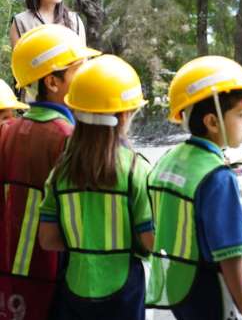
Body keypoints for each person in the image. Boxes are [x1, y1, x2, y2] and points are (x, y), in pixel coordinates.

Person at [146, 56, 242, 320]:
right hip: (216, 297)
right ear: (212, 122)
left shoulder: (168, 161)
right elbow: (231, 256)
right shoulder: (216, 177)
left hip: (183, 291)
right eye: (241, 114)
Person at [38, 54, 153, 320]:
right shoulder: (135, 169)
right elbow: (149, 241)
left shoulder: (60, 173)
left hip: (75, 287)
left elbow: (48, 240)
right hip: (124, 291)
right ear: (124, 115)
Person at [0, 24, 99, 320]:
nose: (88, 77)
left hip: (8, 277)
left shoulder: (7, 132)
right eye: (79, 69)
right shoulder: (70, 138)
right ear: (53, 82)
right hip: (55, 278)